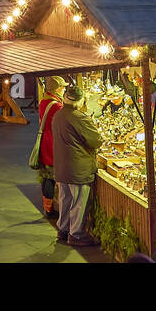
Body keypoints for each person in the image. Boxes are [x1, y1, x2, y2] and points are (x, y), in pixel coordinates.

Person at [50, 84, 103, 247]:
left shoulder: (58, 115)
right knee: (79, 202)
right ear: (80, 101)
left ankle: (63, 230)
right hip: (77, 168)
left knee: (65, 200)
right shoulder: (79, 117)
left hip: (61, 167)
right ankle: (76, 234)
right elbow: (95, 140)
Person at [36, 77, 66, 218]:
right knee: (50, 177)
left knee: (47, 177)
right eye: (63, 87)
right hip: (52, 144)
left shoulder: (44, 101)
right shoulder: (57, 106)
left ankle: (47, 207)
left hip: (45, 143)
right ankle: (49, 210)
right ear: (57, 88)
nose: (64, 89)